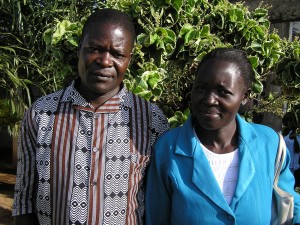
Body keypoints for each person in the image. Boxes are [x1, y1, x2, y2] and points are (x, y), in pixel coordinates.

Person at [12, 8, 169, 225]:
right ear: (79, 50)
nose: (105, 61)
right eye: (95, 49)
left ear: (129, 59)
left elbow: (158, 204)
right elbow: (24, 201)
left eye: (117, 54)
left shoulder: (152, 120)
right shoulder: (41, 114)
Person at [145, 48, 300, 224]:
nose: (210, 100)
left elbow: (292, 208)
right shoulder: (168, 149)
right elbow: (156, 218)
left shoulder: (269, 145)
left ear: (245, 96)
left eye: (223, 92)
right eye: (201, 88)